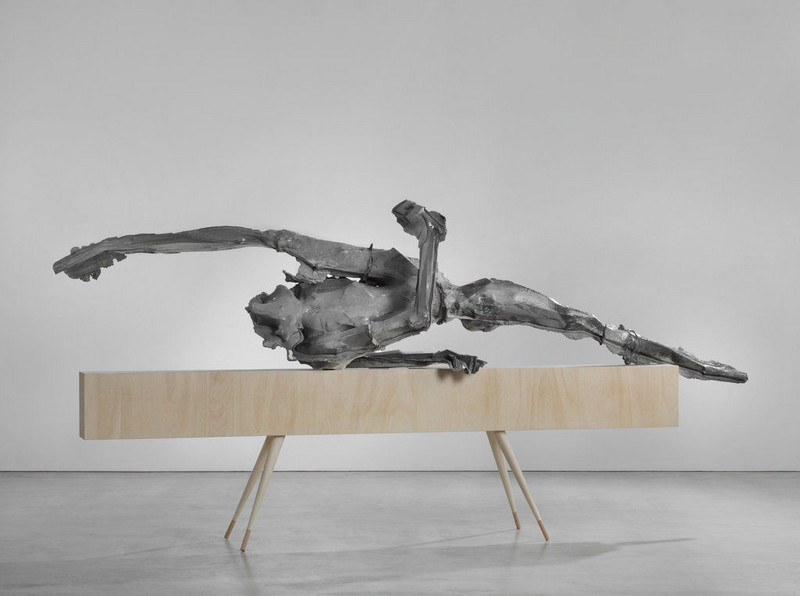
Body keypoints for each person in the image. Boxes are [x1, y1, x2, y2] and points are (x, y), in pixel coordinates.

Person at [53, 201, 747, 383]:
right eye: (270, 312)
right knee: (574, 320)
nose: (266, 304)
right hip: (446, 299)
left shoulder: (340, 279)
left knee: (581, 321)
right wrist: (437, 354)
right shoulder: (321, 351)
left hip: (455, 294)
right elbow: (402, 333)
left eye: (270, 298)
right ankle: (666, 359)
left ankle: (669, 358)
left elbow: (256, 235)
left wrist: (127, 242)